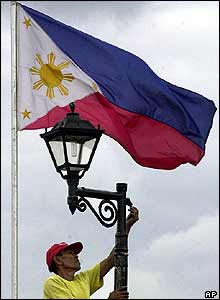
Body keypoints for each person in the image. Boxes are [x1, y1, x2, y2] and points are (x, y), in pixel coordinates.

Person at [43, 206, 139, 299]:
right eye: (70, 253)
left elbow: (111, 260)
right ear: (58, 260)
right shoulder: (53, 283)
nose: (76, 256)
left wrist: (126, 226)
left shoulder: (83, 279)